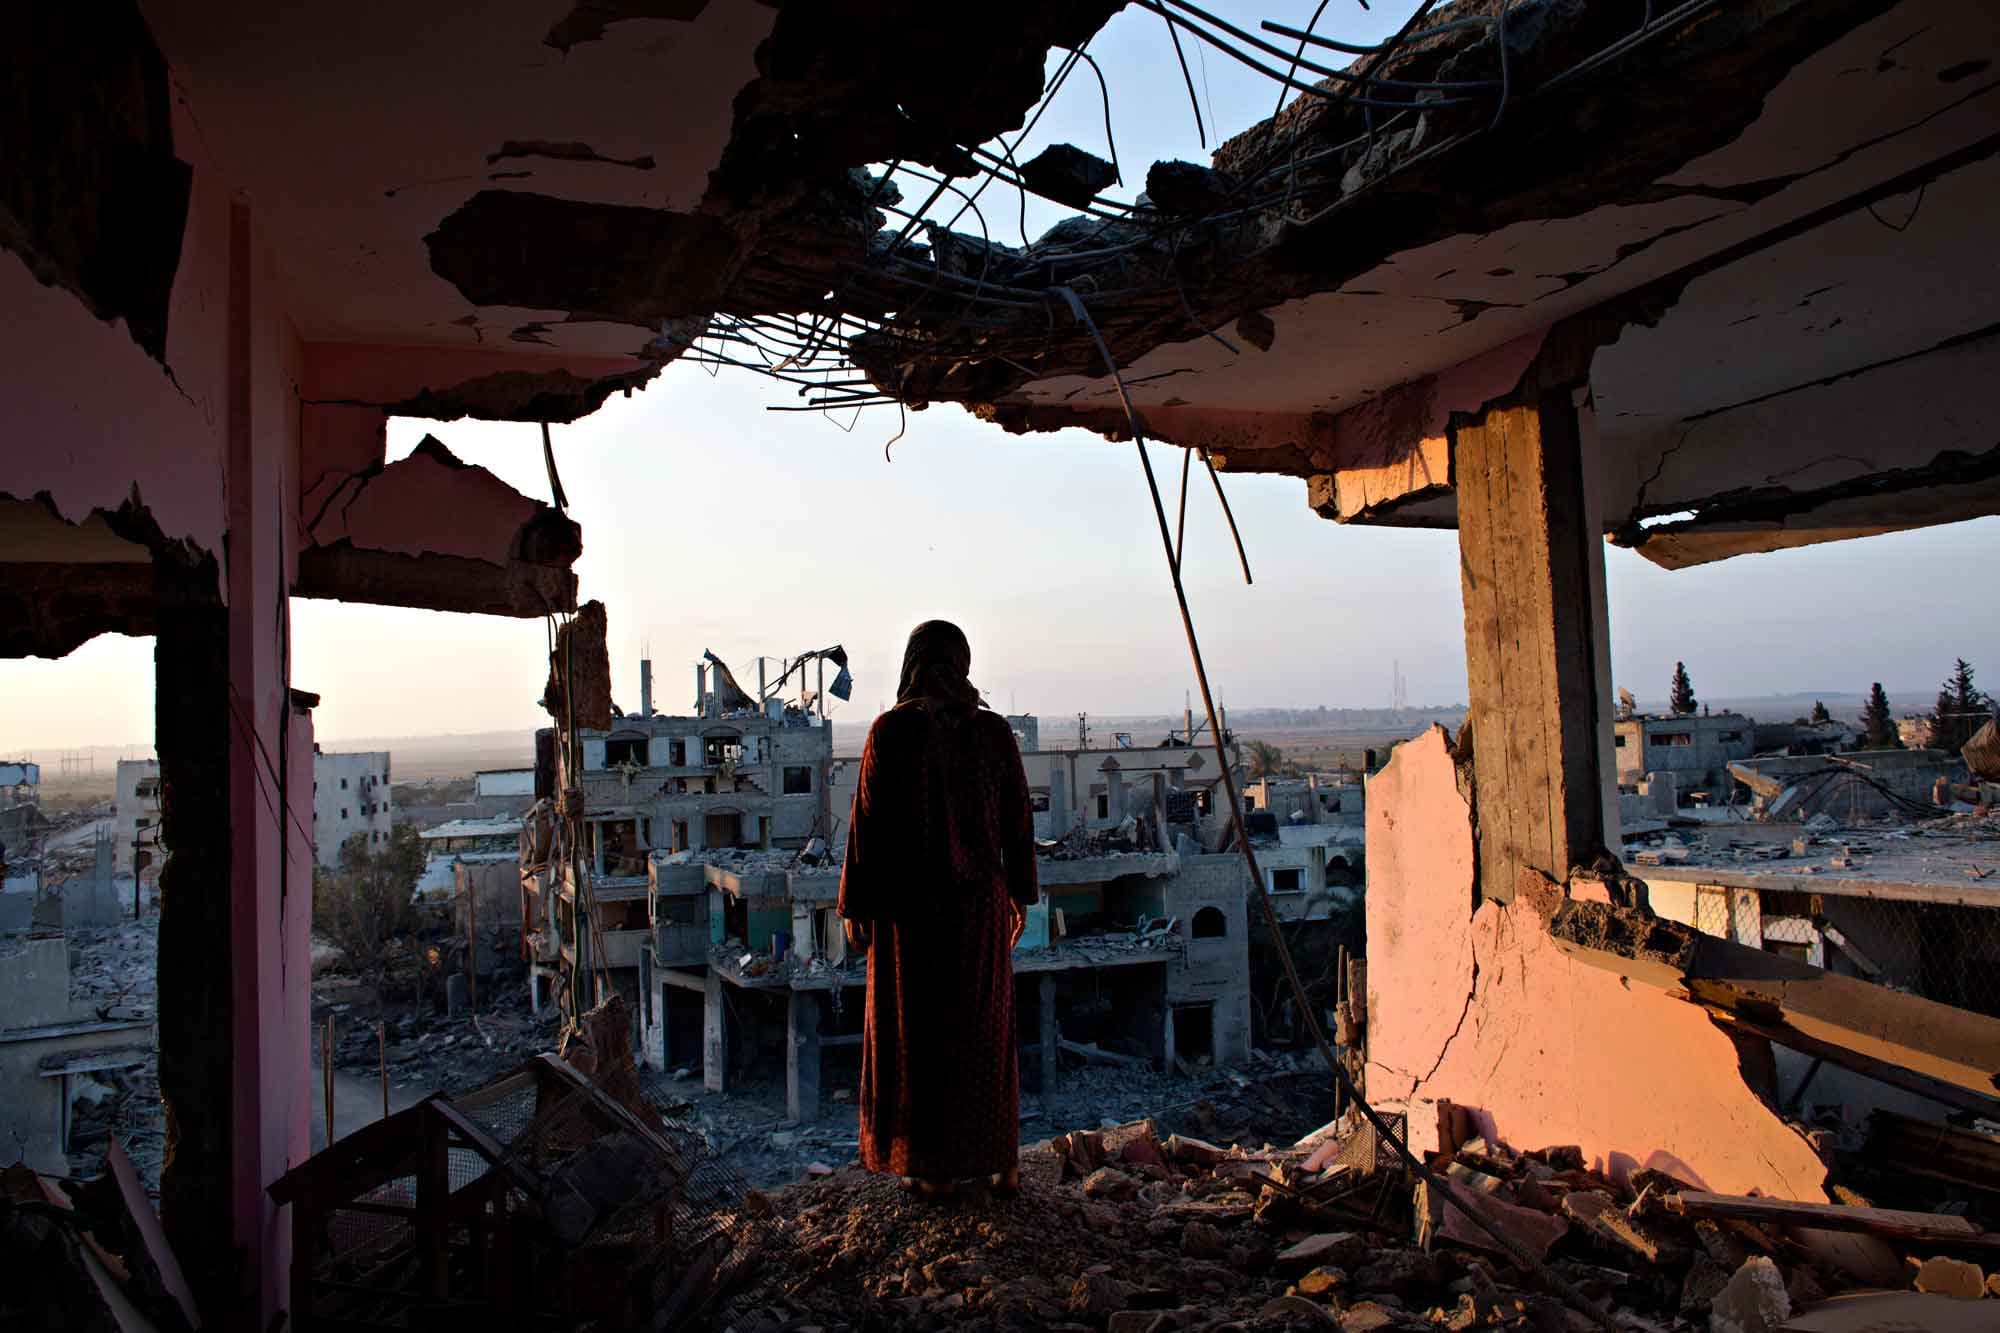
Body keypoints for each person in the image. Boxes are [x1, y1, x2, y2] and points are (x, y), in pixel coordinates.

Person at [838, 620, 1039, 1198]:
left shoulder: (890, 733)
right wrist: (1021, 895)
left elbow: (866, 829)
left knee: (917, 1041)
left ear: (912, 664)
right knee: (983, 1037)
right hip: (978, 916)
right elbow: (1018, 823)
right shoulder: (994, 734)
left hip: (908, 921)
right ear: (963, 664)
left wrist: (855, 905)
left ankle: (929, 1172)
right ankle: (1001, 1163)